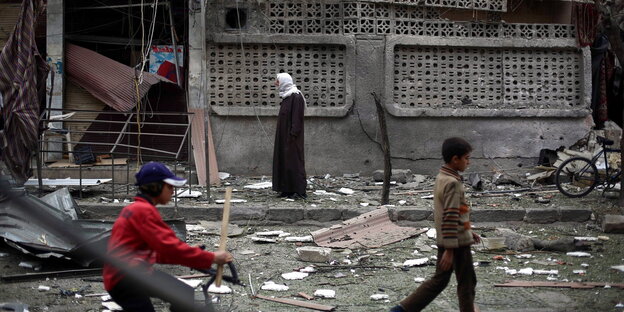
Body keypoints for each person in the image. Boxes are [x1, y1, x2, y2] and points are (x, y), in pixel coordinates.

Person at [103, 161, 233, 311]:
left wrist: (195, 256)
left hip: (134, 273)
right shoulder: (143, 211)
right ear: (155, 186)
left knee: (183, 293)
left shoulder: (138, 208)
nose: (173, 191)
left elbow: (160, 251)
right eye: (169, 186)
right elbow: (170, 248)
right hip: (125, 278)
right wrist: (211, 257)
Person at [391, 137, 481, 312]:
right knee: (467, 282)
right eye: (466, 158)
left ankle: (402, 310)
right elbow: (450, 215)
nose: (468, 162)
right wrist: (449, 249)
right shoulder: (452, 183)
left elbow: (457, 212)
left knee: (440, 280)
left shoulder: (442, 177)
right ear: (455, 159)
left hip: (450, 238)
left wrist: (469, 232)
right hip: (456, 242)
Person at [272, 72, 307, 199]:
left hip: (292, 138)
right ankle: (286, 189)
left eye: (278, 81)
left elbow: (296, 119)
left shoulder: (296, 97)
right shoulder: (286, 96)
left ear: (284, 82)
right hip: (284, 137)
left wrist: (292, 135)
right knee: (284, 162)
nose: (276, 84)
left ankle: (298, 190)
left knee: (294, 162)